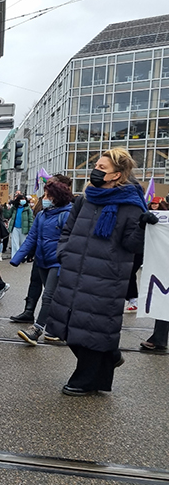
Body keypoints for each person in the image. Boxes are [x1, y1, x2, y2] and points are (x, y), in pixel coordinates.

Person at [46, 148, 157, 396]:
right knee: (68, 327)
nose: (96, 170)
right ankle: (109, 355)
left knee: (92, 328)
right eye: (96, 166)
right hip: (75, 271)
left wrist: (142, 228)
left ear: (117, 175)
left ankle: (86, 379)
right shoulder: (84, 199)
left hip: (106, 276)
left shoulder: (131, 205)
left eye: (102, 168)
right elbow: (68, 231)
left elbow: (133, 246)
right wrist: (64, 252)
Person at [11, 181, 73, 346]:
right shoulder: (42, 215)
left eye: (47, 196)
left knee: (48, 296)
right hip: (42, 261)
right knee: (55, 297)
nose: (44, 199)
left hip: (58, 262)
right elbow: (32, 238)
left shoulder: (67, 214)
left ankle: (36, 330)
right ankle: (61, 329)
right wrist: (17, 257)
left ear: (57, 197)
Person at [2, 193, 33, 258]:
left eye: (24, 199)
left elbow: (30, 220)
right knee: (15, 243)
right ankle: (15, 257)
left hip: (24, 228)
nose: (23, 200)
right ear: (18, 200)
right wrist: (4, 208)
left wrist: (30, 229)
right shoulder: (14, 208)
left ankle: (23, 257)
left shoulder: (27, 209)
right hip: (15, 228)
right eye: (21, 199)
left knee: (23, 243)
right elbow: (7, 215)